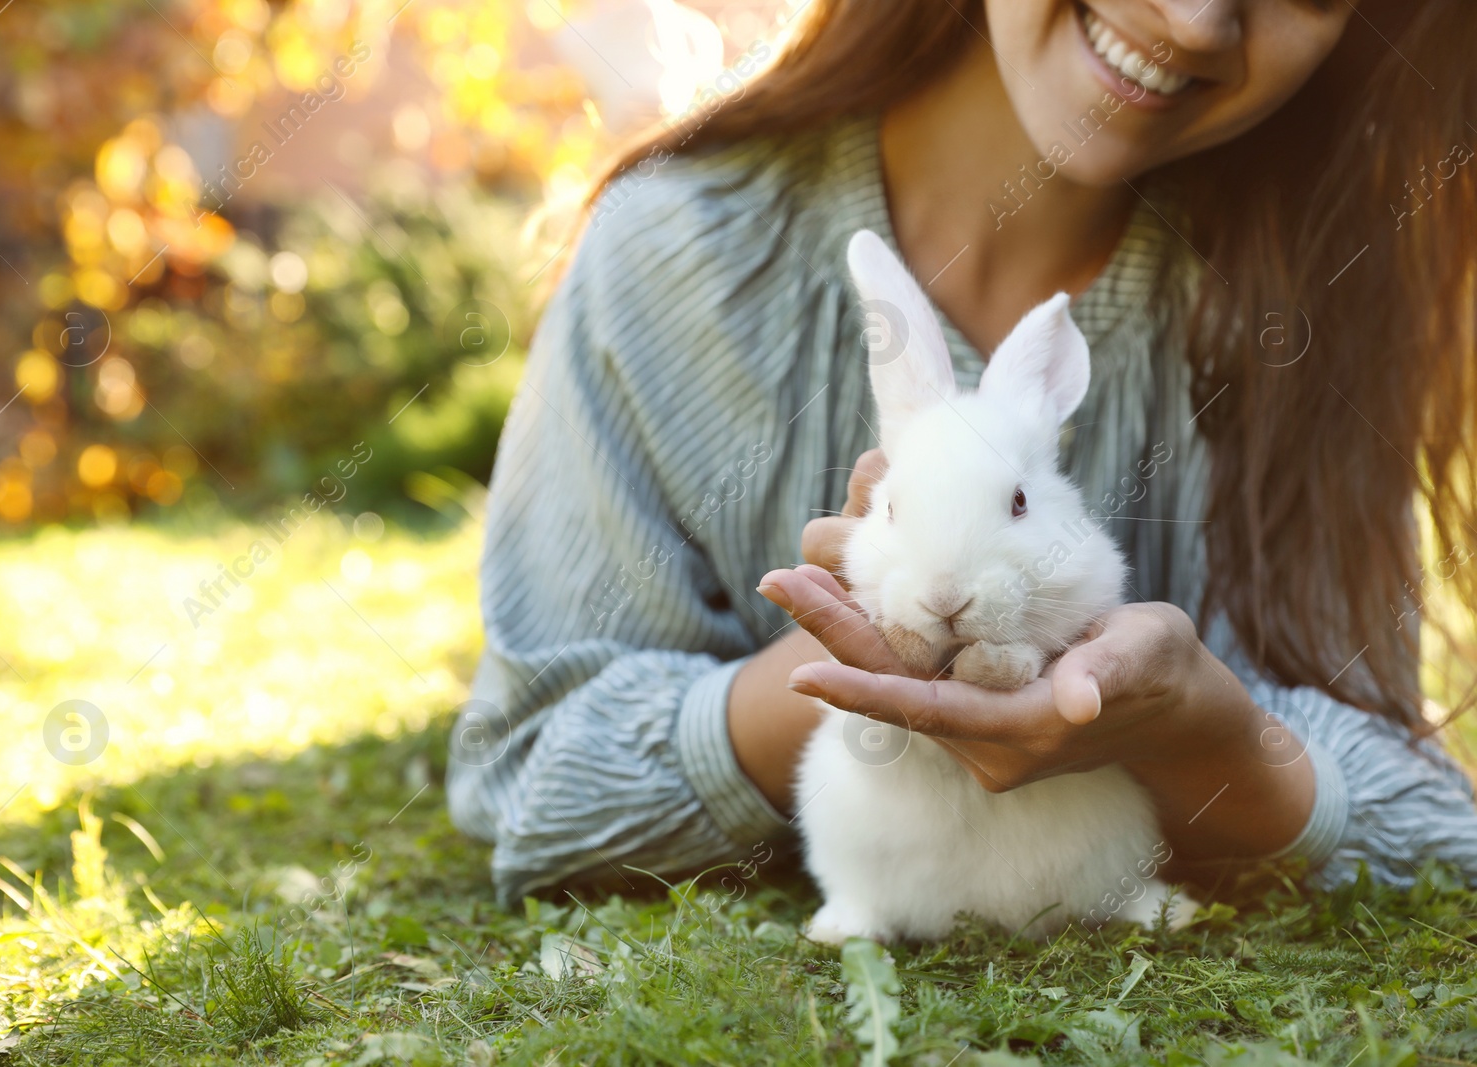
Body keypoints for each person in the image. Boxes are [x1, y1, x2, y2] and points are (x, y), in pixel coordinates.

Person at [446, 0, 1477, 908]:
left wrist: (1205, 741)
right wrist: (845, 651)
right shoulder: (667, 247)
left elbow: (1427, 817)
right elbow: (527, 779)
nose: (1197, 18)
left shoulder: (1307, 318)